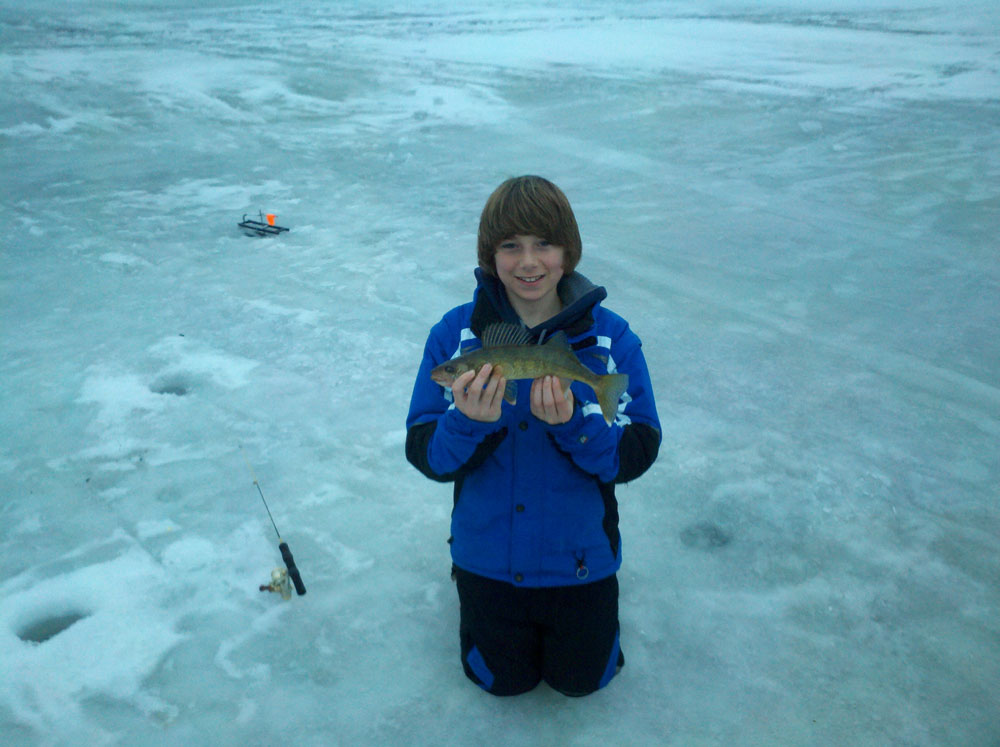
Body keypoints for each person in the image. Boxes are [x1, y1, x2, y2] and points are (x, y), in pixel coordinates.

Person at [405, 175, 660, 697]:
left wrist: (576, 426)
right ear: (489, 254)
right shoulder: (453, 336)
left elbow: (638, 450)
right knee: (500, 682)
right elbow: (426, 453)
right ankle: (478, 610)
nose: (528, 261)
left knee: (583, 682)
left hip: (579, 561)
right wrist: (467, 421)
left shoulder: (612, 339)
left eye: (544, 243)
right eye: (510, 246)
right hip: (486, 559)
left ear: (568, 251)